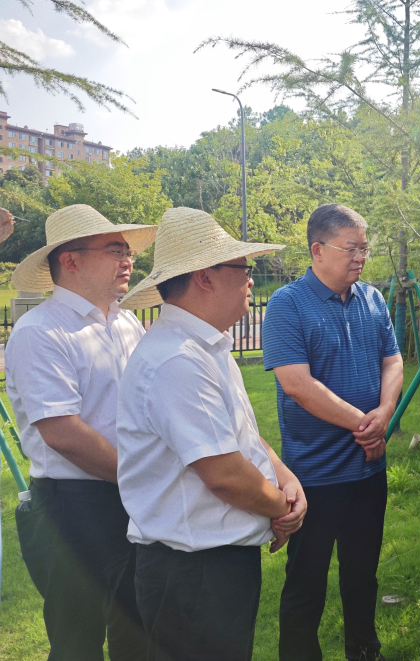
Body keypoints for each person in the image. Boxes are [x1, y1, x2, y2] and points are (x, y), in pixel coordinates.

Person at [115, 207, 306, 661]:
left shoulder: (206, 347)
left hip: (210, 566)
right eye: (243, 269)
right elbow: (224, 474)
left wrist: (286, 479)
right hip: (193, 573)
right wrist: (282, 510)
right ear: (204, 277)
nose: (251, 281)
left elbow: (240, 436)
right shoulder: (178, 359)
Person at [6, 204, 156, 661]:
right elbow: (63, 433)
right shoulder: (40, 331)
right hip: (71, 505)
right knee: (78, 639)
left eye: (127, 251)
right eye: (115, 250)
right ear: (69, 260)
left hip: (129, 494)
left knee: (138, 624)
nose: (128, 261)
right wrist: (143, 479)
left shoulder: (126, 322)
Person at [262, 203, 403, 661]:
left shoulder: (373, 299)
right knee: (307, 583)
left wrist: (383, 413)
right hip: (316, 474)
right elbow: (297, 384)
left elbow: (393, 360)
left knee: (363, 575)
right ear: (317, 250)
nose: (361, 257)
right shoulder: (288, 304)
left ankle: (365, 651)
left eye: (365, 247)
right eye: (352, 248)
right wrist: (365, 424)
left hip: (368, 468)